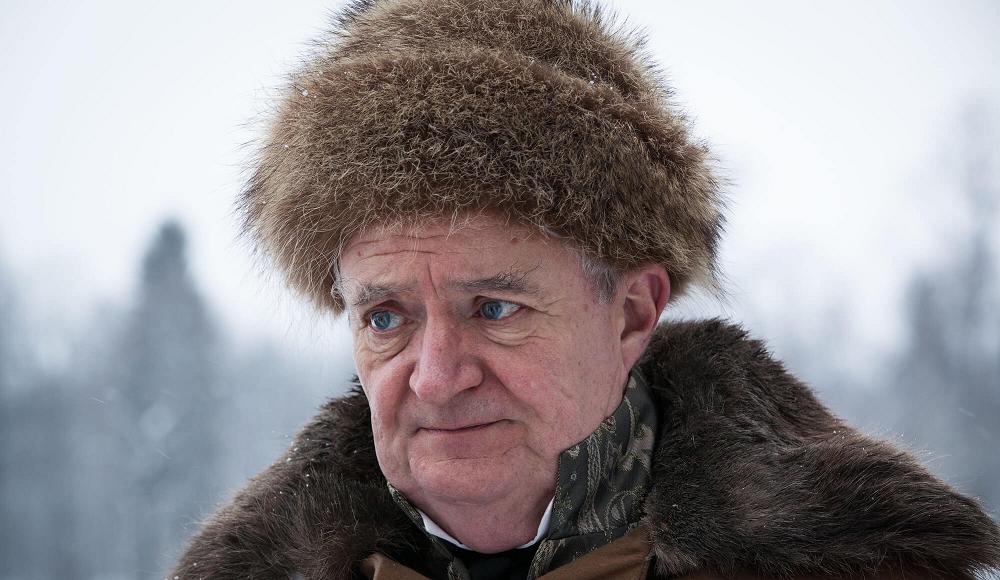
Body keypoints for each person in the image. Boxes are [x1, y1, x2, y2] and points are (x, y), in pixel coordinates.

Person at [171, 0, 1000, 578]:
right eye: (386, 317)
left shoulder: (862, 566)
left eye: (494, 309)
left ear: (633, 313)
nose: (436, 377)